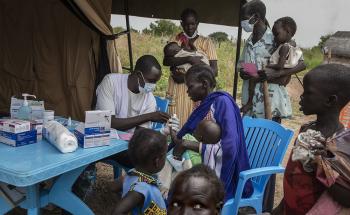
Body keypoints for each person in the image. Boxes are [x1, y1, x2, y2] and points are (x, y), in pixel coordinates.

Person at [239, 1, 306, 211]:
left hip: (270, 106)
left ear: (256, 16)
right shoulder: (249, 41)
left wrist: (274, 73)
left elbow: (299, 64)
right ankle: (247, 200)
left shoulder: (278, 39)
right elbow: (246, 68)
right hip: (251, 105)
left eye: (245, 18)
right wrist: (247, 72)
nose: (243, 23)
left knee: (266, 157)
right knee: (249, 153)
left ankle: (263, 205)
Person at [169, 64, 253, 202]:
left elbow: (229, 150)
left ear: (204, 84)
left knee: (180, 188)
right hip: (206, 161)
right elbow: (195, 133)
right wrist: (179, 139)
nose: (187, 92)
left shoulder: (222, 102)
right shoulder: (206, 104)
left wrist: (189, 144)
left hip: (223, 171)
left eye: (190, 87)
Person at [275, 64, 350, 215]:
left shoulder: (341, 143)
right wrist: (280, 209)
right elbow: (294, 178)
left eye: (308, 93)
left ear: (330, 100)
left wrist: (321, 162)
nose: (301, 97)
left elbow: (347, 198)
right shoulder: (307, 130)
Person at [163, 8, 218, 127]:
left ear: (198, 23)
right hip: (176, 90)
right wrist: (188, 59)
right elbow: (166, 60)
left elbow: (214, 71)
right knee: (175, 123)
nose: (189, 27)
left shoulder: (206, 42)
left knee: (195, 125)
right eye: (186, 24)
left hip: (197, 90)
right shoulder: (175, 39)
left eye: (192, 24)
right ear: (181, 23)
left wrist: (185, 77)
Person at [241, 16, 303, 114]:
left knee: (271, 124)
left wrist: (277, 73)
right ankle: (249, 103)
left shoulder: (285, 45)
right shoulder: (249, 40)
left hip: (273, 96)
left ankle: (249, 103)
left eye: (276, 34)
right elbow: (242, 64)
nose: (275, 37)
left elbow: (302, 64)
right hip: (257, 94)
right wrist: (243, 71)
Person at [96, 54, 170, 132]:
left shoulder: (150, 99)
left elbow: (139, 134)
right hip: (104, 137)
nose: (153, 85)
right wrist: (149, 116)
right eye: (151, 81)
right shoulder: (111, 82)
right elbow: (108, 122)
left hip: (130, 142)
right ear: (138, 75)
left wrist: (163, 132)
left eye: (155, 82)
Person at [113, 128, 168, 215]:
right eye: (165, 155)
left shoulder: (132, 173)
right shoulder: (141, 189)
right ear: (157, 161)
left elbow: (112, 187)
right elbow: (117, 212)